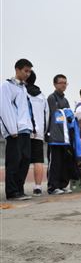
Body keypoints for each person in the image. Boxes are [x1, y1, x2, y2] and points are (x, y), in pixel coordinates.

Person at [0, 59, 34, 200]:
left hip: (25, 130)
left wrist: (31, 127)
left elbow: (25, 110)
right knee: (14, 161)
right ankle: (12, 192)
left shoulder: (23, 88)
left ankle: (19, 189)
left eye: (29, 71)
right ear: (17, 69)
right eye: (25, 71)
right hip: (14, 131)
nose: (27, 74)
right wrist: (12, 129)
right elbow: (5, 108)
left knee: (25, 160)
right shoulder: (7, 86)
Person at [47, 74, 81, 194]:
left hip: (65, 137)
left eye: (65, 83)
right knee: (55, 162)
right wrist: (48, 133)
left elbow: (68, 116)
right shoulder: (51, 98)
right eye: (61, 82)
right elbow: (51, 116)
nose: (63, 85)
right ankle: (52, 186)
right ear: (55, 84)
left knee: (64, 161)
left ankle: (62, 184)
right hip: (55, 137)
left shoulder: (65, 100)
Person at [26, 70, 49, 196]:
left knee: (22, 160)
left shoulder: (22, 92)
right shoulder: (42, 96)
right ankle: (38, 187)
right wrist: (43, 131)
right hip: (39, 132)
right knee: (38, 160)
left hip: (24, 131)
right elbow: (47, 115)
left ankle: (19, 187)